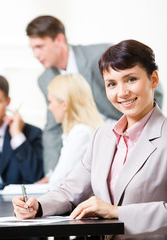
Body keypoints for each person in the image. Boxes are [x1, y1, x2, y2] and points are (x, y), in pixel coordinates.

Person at [12, 40, 167, 240]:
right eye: (112, 84)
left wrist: (116, 213)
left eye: (131, 79)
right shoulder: (102, 137)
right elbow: (70, 191)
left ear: (153, 79)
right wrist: (38, 206)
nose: (121, 93)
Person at [26, 15, 164, 178]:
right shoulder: (45, 79)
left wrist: (143, 133)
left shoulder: (100, 56)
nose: (35, 54)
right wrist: (51, 173)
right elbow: (52, 128)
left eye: (40, 46)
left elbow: (153, 92)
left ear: (59, 39)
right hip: (87, 149)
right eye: (32, 48)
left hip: (128, 133)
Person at [36, 73, 104, 190]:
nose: (50, 107)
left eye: (51, 102)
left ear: (64, 105)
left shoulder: (80, 133)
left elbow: (58, 183)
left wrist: (52, 180)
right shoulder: (81, 130)